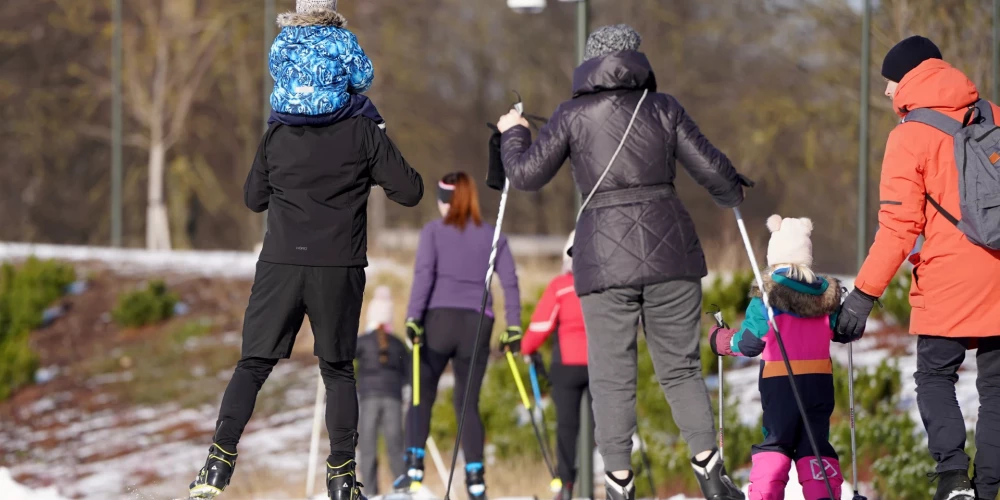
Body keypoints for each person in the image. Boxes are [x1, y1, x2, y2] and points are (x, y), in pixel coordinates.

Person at [496, 24, 748, 500]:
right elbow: (714, 171)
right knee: (680, 369)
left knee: (611, 375)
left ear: (591, 63)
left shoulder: (572, 115)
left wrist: (515, 134)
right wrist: (734, 189)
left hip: (603, 258)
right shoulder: (664, 107)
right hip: (672, 250)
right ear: (636, 60)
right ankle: (710, 472)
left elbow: (526, 175)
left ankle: (618, 483)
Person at [187, 21, 424, 497]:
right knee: (337, 370)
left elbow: (253, 199)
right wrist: (378, 140)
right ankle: (341, 479)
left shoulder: (278, 134)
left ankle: (217, 463)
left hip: (279, 263)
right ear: (344, 70)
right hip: (337, 265)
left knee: (252, 364)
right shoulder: (361, 132)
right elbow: (411, 191)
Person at [835, 36, 1000, 500]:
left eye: (891, 81)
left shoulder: (909, 137)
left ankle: (952, 478)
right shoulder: (994, 115)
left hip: (949, 278)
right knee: (997, 389)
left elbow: (898, 228)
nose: (888, 91)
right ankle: (986, 491)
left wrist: (863, 295)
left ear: (910, 77)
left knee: (933, 376)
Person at [396, 172, 522, 500]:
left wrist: (412, 318)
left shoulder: (433, 232)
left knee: (421, 392)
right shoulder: (493, 235)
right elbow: (510, 281)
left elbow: (424, 276)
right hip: (478, 324)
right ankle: (476, 478)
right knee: (467, 403)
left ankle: (413, 464)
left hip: (438, 321)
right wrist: (514, 324)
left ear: (445, 201)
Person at [710, 216, 845, 500]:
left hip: (780, 382)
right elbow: (843, 331)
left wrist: (724, 340)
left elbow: (749, 343)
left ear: (774, 257)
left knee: (777, 442)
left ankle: (765, 494)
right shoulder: (826, 296)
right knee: (814, 443)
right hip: (820, 382)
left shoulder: (767, 295)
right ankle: (823, 495)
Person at [521, 232, 593, 500]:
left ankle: (567, 485)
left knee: (567, 426)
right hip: (599, 363)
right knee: (601, 424)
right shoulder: (601, 285)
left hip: (567, 365)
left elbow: (540, 325)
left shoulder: (561, 287)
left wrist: (526, 348)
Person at [268, 0, 384, 128]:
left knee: (272, 121)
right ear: (331, 7)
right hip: (331, 109)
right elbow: (362, 79)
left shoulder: (282, 38)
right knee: (366, 107)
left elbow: (275, 73)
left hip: (287, 111)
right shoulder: (341, 38)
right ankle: (380, 129)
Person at [355, 286, 409, 495]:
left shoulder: (361, 342)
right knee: (396, 447)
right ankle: (402, 489)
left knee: (368, 448)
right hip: (393, 398)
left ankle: (370, 491)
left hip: (368, 398)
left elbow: (345, 365)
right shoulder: (397, 343)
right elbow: (408, 374)